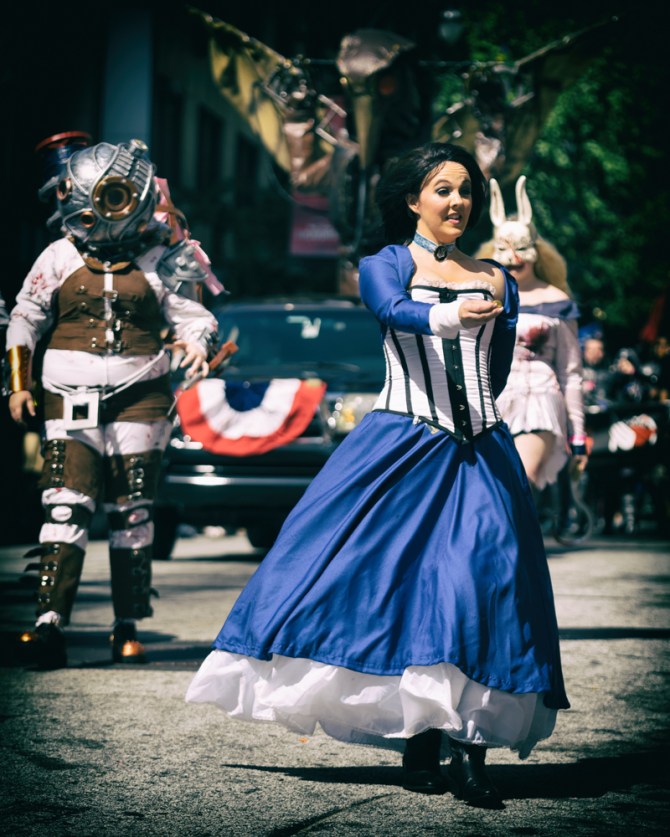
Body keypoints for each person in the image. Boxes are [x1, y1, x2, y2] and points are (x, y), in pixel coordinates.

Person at [186, 142, 569, 809]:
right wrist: (450, 314)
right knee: (396, 589)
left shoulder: (497, 278)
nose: (458, 202)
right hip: (399, 448)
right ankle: (422, 741)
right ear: (413, 199)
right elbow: (393, 310)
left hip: (481, 452)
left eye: (466, 191)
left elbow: (499, 369)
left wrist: (478, 375)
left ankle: (468, 748)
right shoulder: (383, 264)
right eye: (444, 189)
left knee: (482, 583)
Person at [7, 138, 218, 669]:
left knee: (133, 510)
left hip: (140, 398)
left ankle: (126, 626)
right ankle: (48, 623)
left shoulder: (160, 258)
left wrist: (196, 342)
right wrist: (19, 384)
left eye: (120, 194)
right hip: (67, 395)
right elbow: (26, 316)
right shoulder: (56, 256)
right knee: (64, 505)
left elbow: (194, 318)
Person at [475, 177, 588, 495]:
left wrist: (577, 434)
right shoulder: (479, 296)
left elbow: (571, 372)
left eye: (522, 247)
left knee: (522, 483)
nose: (514, 257)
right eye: (504, 248)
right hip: (491, 405)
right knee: (491, 493)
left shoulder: (557, 301)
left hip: (539, 399)